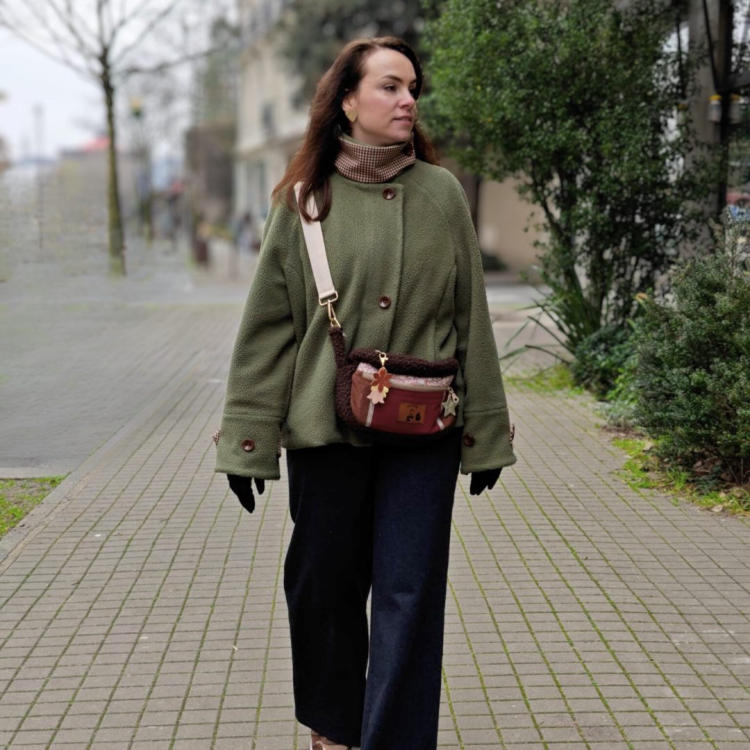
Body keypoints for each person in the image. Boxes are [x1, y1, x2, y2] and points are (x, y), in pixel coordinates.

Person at [214, 36, 516, 750]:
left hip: (424, 432)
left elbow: (470, 318)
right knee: (323, 586)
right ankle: (333, 729)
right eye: (390, 86)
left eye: (412, 88)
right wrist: (247, 441)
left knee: (410, 595)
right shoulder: (300, 202)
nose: (408, 100)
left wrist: (485, 434)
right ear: (347, 101)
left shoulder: (442, 194)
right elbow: (269, 330)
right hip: (326, 430)